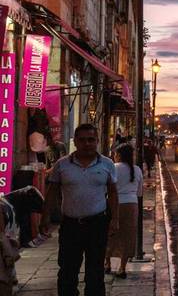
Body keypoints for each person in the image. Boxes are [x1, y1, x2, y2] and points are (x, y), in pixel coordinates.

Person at [40, 123, 119, 296]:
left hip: (97, 224)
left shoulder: (107, 164)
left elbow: (113, 192)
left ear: (97, 141)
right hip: (71, 226)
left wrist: (115, 219)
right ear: (75, 141)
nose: (87, 144)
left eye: (91, 140)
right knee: (68, 271)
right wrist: (45, 217)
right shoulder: (62, 165)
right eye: (82, 140)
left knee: (95, 272)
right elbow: (52, 192)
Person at [105, 144, 142, 278]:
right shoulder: (137, 169)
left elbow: (106, 189)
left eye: (115, 154)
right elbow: (139, 192)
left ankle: (107, 263)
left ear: (119, 155)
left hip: (114, 204)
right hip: (132, 205)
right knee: (128, 235)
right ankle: (122, 268)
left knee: (110, 234)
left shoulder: (113, 168)